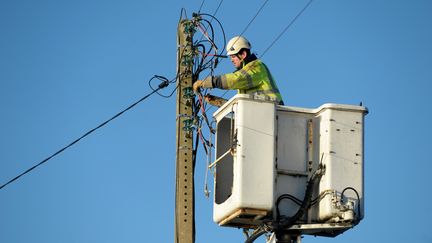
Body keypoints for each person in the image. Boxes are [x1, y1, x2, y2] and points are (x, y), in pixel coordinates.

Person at [193, 36, 284, 105]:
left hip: (273, 112)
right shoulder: (246, 77)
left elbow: (235, 79)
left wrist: (208, 82)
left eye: (233, 56)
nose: (231, 60)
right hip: (262, 114)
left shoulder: (256, 66)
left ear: (243, 54)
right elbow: (242, 108)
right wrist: (219, 102)